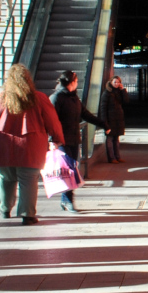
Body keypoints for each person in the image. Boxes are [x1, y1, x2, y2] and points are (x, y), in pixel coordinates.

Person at [0, 64, 64, 225]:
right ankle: (27, 214)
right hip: (31, 146)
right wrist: (57, 139)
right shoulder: (39, 98)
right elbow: (53, 121)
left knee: (6, 178)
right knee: (28, 180)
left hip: (3, 147)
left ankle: (5, 209)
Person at [50, 70, 104, 213]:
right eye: (76, 81)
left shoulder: (74, 99)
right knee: (68, 170)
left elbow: (85, 114)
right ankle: (68, 201)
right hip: (61, 141)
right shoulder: (57, 98)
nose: (78, 83)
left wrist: (103, 123)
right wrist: (52, 140)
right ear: (71, 82)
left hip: (74, 139)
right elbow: (51, 121)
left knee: (72, 170)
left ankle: (65, 200)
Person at [98, 75, 128, 163]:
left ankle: (117, 156)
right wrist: (104, 122)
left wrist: (123, 90)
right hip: (110, 119)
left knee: (116, 138)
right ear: (110, 82)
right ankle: (111, 158)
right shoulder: (107, 93)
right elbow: (103, 108)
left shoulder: (119, 92)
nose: (116, 84)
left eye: (118, 82)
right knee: (110, 138)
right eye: (115, 82)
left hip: (118, 119)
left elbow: (126, 101)